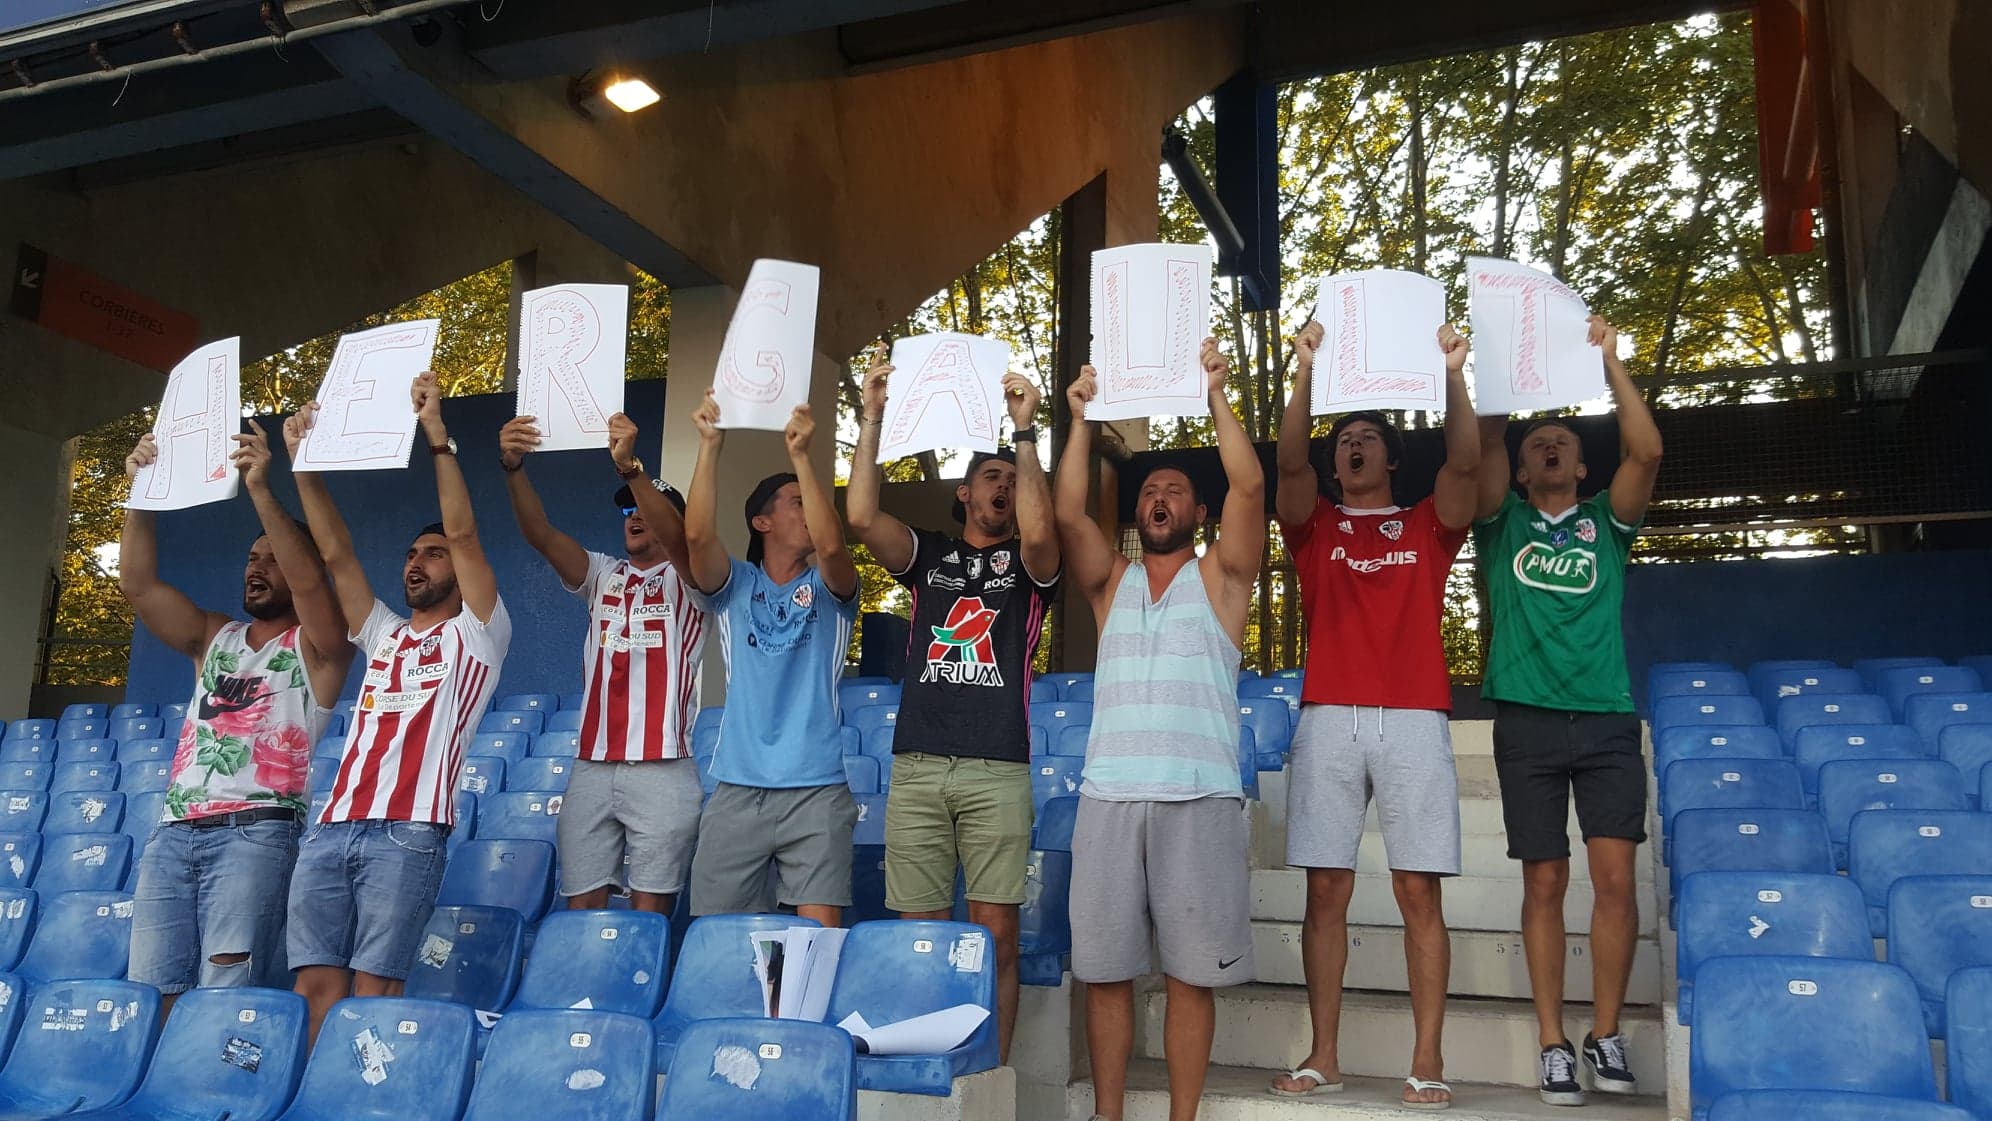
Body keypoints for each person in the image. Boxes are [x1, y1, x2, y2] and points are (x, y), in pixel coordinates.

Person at [1267, 321, 1477, 1109]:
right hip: (1329, 715)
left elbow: (1465, 464)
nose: (1353, 446)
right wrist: (1304, 369)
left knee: (1419, 890)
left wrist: (1453, 371)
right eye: (1344, 440)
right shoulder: (1316, 524)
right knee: (1326, 889)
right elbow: (1289, 463)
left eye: (1368, 439)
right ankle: (1324, 1053)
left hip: (1415, 715)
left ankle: (1428, 1058)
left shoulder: (1425, 523)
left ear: (1391, 459)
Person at [1056, 339, 1263, 1121]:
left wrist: (1215, 393)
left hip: (1198, 798)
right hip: (1109, 800)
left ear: (1198, 513)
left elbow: (1250, 484)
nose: (1160, 497)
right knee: (1105, 973)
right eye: (1150, 491)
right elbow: (1068, 513)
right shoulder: (1111, 583)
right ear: (1138, 514)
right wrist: (1080, 419)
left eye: (1175, 490)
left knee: (1190, 976)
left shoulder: (1223, 578)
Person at [846, 345, 1060, 1061]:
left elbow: (1039, 529)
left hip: (997, 767)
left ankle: (989, 1072)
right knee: (922, 935)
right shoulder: (930, 555)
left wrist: (1024, 431)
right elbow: (860, 514)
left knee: (996, 931)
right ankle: (929, 1067)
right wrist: (871, 417)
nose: (1005, 484)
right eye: (991, 476)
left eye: (1014, 479)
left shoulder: (1032, 563)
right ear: (964, 494)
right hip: (917, 766)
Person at [285, 371, 512, 1044]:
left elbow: (465, 534)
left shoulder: (478, 633)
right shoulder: (382, 632)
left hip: (408, 831)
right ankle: (315, 1092)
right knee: (312, 989)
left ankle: (363, 1091)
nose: (418, 563)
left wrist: (437, 436)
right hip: (332, 827)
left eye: (433, 555)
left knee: (376, 993)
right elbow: (335, 554)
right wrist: (302, 462)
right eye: (412, 554)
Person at [1473, 315, 1661, 1105]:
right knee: (1545, 878)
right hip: (1527, 719)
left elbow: (1646, 452)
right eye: (1536, 443)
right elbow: (1481, 446)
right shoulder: (1501, 523)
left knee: (1616, 879)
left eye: (1562, 441)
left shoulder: (1607, 523)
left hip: (1607, 717)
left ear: (1583, 464)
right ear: (1522, 470)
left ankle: (1604, 1032)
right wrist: (1492, 370)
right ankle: (1553, 1041)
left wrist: (1611, 362)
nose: (1548, 446)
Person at [119, 422, 354, 1008]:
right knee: (153, 989)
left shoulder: (322, 647)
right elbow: (138, 585)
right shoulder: (212, 635)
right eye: (253, 558)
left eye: (273, 560)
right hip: (174, 831)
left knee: (226, 993)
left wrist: (260, 489)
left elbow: (312, 583)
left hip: (257, 831)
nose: (258, 568)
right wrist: (141, 491)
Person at [499, 410, 705, 914]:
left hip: (662, 763)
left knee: (650, 914)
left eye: (646, 508)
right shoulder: (602, 573)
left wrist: (631, 470)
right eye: (627, 509)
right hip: (592, 764)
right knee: (581, 908)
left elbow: (684, 542)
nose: (634, 515)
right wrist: (513, 469)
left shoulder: (693, 578)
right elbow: (540, 534)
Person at [681, 390, 860, 925]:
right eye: (797, 502)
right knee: (717, 936)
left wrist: (803, 457)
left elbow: (832, 547)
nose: (811, 509)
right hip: (738, 786)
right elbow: (696, 535)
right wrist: (710, 445)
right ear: (762, 523)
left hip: (817, 787)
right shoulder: (736, 583)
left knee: (817, 942)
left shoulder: (831, 587)